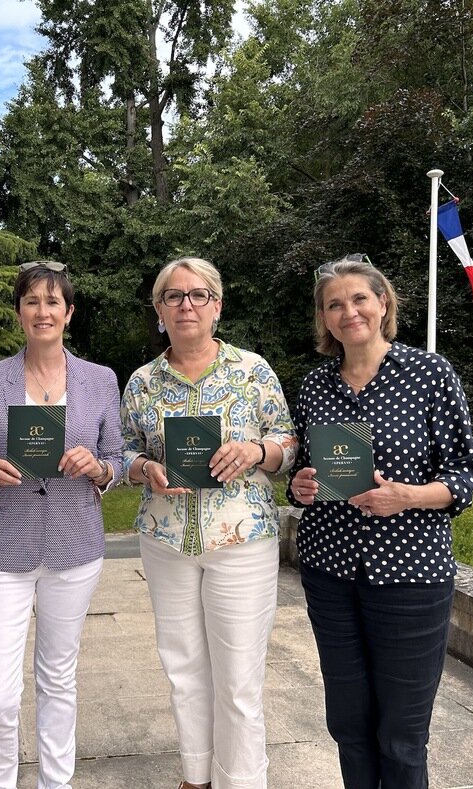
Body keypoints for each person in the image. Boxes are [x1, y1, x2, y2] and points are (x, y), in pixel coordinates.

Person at [287, 254, 473, 789]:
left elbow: (465, 478)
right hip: (330, 573)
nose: (348, 311)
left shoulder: (429, 374)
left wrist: (407, 496)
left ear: (383, 304)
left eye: (359, 299)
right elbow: (303, 473)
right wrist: (301, 486)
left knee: (401, 732)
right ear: (324, 319)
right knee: (349, 724)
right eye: (335, 304)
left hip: (410, 576)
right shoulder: (314, 386)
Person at [120, 257, 297, 789]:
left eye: (198, 295)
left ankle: (241, 781)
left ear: (217, 305)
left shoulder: (251, 370)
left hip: (241, 538)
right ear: (159, 311)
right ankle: (195, 777)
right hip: (168, 539)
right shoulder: (143, 382)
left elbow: (288, 441)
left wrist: (257, 450)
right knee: (183, 669)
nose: (186, 305)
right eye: (173, 297)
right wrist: (144, 467)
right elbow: (124, 448)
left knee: (239, 679)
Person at [0, 260, 123, 789]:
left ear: (69, 313)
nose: (42, 311)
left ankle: (56, 782)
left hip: (75, 545)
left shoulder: (99, 380)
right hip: (5, 546)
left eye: (53, 302)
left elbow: (115, 455)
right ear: (19, 311)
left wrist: (99, 469)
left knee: (58, 678)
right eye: (32, 301)